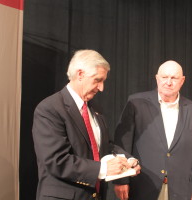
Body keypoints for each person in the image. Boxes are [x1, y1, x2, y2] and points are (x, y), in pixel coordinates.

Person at [32, 49, 140, 200]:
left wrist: (127, 160)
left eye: (103, 81)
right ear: (80, 74)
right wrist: (104, 169)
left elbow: (106, 146)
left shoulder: (95, 109)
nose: (101, 88)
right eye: (97, 80)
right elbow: (57, 161)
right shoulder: (49, 109)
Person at [113, 60, 192, 200]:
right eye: (164, 77)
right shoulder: (136, 103)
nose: (168, 82)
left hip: (180, 190)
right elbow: (122, 144)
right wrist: (121, 180)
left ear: (182, 81)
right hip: (143, 186)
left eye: (174, 78)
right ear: (157, 78)